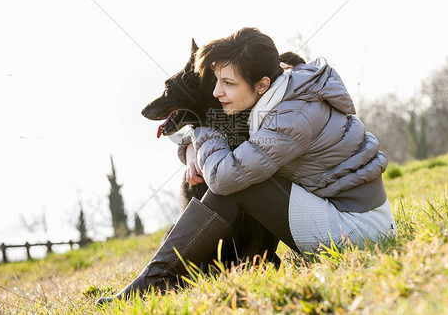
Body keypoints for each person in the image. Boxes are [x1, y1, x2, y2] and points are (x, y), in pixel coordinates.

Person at [96, 27, 395, 305]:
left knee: (234, 184)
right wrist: (191, 149)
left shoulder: (292, 117)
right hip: (344, 213)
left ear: (261, 84)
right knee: (237, 176)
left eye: (228, 84)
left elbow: (223, 177)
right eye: (217, 81)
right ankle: (164, 275)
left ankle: (154, 280)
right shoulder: (283, 91)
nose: (216, 92)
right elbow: (230, 131)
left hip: (357, 232)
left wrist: (202, 126)